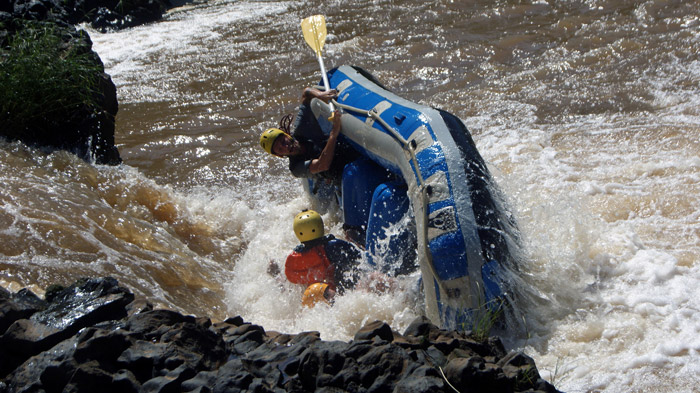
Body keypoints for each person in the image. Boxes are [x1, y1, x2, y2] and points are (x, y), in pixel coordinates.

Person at [259, 87, 358, 186]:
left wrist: (320, 95)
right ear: (280, 155)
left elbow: (306, 94)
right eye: (280, 149)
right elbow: (322, 165)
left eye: (283, 141)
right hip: (337, 171)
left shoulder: (301, 129)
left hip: (342, 147)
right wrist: (333, 134)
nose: (286, 146)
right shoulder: (296, 168)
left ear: (286, 135)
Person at [284, 210, 362, 296]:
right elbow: (360, 258)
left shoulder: (294, 260)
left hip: (310, 297)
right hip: (334, 294)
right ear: (320, 226)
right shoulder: (333, 246)